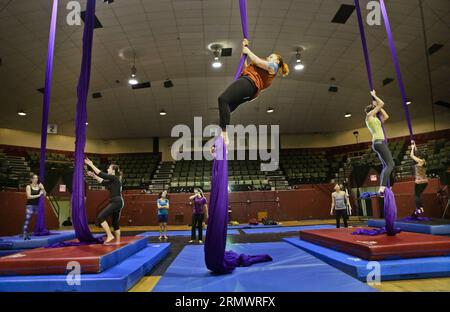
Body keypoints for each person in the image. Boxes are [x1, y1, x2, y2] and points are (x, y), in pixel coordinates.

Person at [218, 38, 289, 144]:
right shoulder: (263, 71)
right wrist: (244, 50)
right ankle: (219, 140)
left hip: (249, 83)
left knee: (222, 99)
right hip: (249, 89)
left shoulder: (273, 67)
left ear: (277, 61)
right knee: (225, 108)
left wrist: (248, 51)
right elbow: (245, 69)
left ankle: (224, 134)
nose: (268, 57)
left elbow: (258, 62)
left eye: (271, 56)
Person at [85, 158, 123, 244]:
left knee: (100, 217)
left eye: (109, 168)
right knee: (115, 222)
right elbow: (102, 181)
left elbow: (101, 174)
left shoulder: (114, 177)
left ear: (113, 170)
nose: (107, 169)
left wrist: (91, 164)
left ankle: (110, 235)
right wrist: (94, 176)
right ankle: (118, 242)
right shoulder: (113, 180)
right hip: (117, 201)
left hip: (116, 201)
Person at [365, 90, 395, 194]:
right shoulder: (368, 117)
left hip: (378, 143)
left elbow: (386, 116)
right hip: (379, 142)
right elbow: (381, 103)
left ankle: (384, 187)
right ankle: (382, 187)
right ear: (372, 110)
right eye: (374, 109)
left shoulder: (376, 120)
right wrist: (374, 96)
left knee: (386, 165)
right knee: (391, 164)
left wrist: (379, 107)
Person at [23, 174, 46, 240]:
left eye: (37, 178)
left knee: (40, 218)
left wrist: (43, 188)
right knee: (27, 219)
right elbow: (29, 197)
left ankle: (39, 231)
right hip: (30, 205)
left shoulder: (39, 186)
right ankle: (25, 234)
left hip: (37, 206)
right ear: (31, 179)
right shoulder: (28, 186)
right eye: (35, 178)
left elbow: (44, 195)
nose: (36, 179)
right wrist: (38, 195)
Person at [410, 141, 428, 217]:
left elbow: (412, 155)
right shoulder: (424, 161)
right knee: (419, 194)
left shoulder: (420, 161)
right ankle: (420, 208)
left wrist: (412, 148)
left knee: (417, 195)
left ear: (421, 157)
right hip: (425, 182)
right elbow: (416, 153)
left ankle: (419, 208)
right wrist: (414, 144)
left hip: (419, 182)